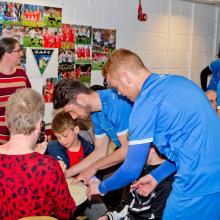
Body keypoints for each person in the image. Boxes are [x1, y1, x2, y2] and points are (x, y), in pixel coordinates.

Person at [87, 48, 220, 220]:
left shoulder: (145, 103)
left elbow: (131, 169)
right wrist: (156, 176)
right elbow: (187, 150)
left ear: (126, 77)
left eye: (117, 87)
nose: (119, 93)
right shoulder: (180, 82)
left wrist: (101, 187)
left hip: (195, 184)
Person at [0, 88, 76, 220]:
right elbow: (66, 211)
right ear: (39, 126)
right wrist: (60, 178)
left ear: (7, 121)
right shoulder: (48, 166)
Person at [52, 79, 133, 185]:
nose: (73, 116)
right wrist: (66, 174)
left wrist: (94, 167)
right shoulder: (95, 113)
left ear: (81, 99)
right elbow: (100, 151)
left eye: (71, 111)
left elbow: (127, 150)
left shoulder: (116, 102)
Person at [45, 111, 107, 220]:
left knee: (102, 215)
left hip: (85, 196)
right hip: (59, 196)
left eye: (65, 136)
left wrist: (92, 181)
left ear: (76, 130)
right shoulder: (51, 148)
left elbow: (98, 175)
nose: (62, 141)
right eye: (58, 137)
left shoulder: (90, 150)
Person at [99, 145, 174, 220]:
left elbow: (158, 216)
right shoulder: (138, 170)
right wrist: (109, 217)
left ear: (152, 148)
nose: (133, 153)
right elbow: (128, 202)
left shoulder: (167, 180)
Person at [0, 37, 31, 144]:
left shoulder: (21, 73)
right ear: (7, 53)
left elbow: (29, 100)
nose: (21, 53)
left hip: (21, 138)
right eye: (18, 50)